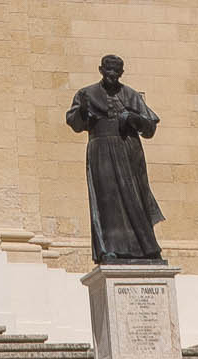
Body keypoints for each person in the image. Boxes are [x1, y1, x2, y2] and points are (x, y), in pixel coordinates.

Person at [65, 53, 166, 264]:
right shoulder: (86, 94)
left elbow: (150, 128)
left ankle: (147, 248)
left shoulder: (130, 95)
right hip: (101, 150)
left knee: (136, 198)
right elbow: (75, 124)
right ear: (101, 70)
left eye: (116, 71)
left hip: (128, 151)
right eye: (108, 70)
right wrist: (83, 110)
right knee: (107, 199)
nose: (112, 74)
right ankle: (109, 248)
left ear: (121, 73)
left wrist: (133, 117)